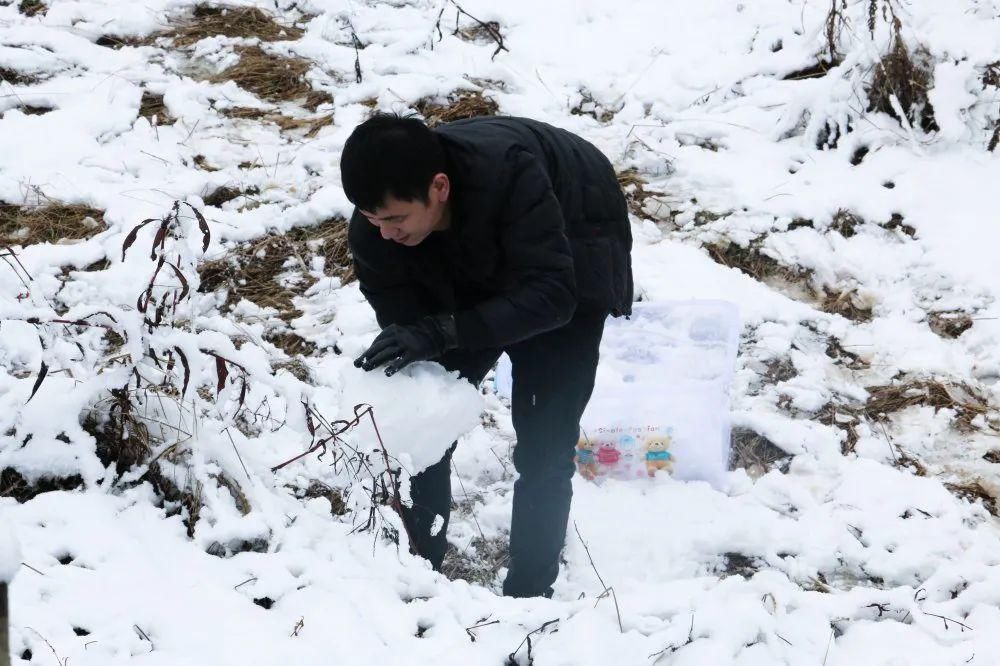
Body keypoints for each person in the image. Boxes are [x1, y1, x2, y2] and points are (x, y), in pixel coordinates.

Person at [341, 113, 633, 598]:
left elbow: (553, 294)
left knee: (544, 445)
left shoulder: (511, 176)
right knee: (424, 431)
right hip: (464, 256)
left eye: (394, 219)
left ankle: (529, 598)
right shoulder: (378, 230)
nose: (384, 233)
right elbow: (412, 332)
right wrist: (428, 340)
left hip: (573, 241)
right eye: (374, 219)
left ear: (438, 187)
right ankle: (420, 578)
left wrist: (448, 329)